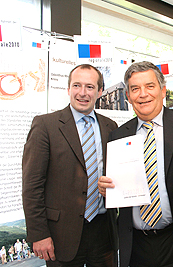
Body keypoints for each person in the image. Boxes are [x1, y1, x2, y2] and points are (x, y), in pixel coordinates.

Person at [22, 64, 118, 266]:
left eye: (90, 87)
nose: (82, 93)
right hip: (61, 235)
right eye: (77, 85)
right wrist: (39, 234)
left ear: (100, 91)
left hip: (103, 232)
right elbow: (32, 186)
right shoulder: (45, 126)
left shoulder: (110, 126)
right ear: (68, 89)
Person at [98, 61, 173, 267]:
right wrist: (108, 190)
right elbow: (117, 190)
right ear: (128, 97)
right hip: (135, 244)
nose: (143, 94)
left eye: (150, 86)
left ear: (163, 90)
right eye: (135, 89)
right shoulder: (117, 135)